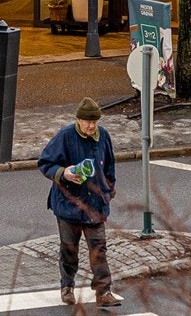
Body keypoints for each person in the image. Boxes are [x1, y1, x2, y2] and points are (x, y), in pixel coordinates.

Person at [38, 97, 124, 308]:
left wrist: (109, 191)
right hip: (69, 205)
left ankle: (103, 292)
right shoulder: (66, 136)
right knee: (69, 250)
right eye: (87, 122)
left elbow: (109, 166)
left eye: (94, 122)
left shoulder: (103, 136)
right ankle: (67, 286)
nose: (91, 126)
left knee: (99, 249)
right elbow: (45, 162)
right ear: (78, 120)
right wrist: (63, 173)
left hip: (95, 204)